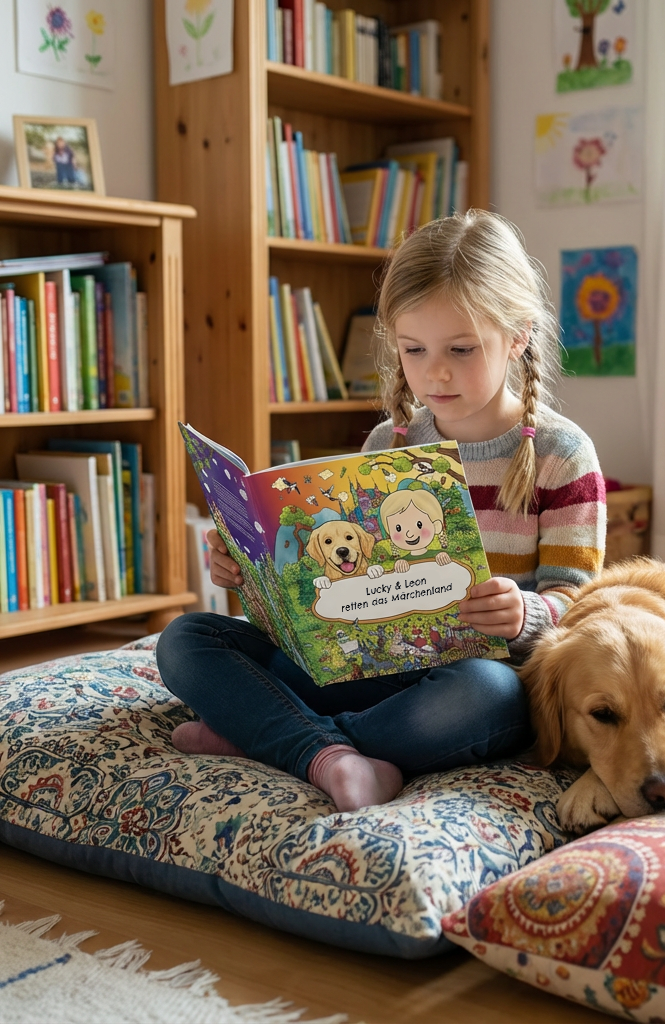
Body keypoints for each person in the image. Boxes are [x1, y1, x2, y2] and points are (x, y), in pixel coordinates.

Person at [156, 210, 606, 813]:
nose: (434, 371)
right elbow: (341, 583)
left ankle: (273, 735)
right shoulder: (387, 444)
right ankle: (332, 754)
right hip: (364, 664)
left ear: (518, 337)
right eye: (414, 349)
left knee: (489, 698)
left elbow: (580, 605)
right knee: (188, 638)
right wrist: (253, 571)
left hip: (474, 674)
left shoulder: (560, 453)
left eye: (462, 349)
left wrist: (524, 612)